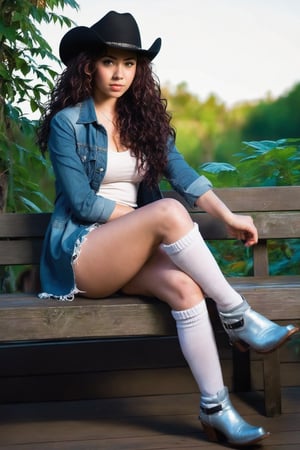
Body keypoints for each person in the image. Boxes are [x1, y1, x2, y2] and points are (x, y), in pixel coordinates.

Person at [37, 11, 298, 447]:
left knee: (185, 289)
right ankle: (237, 316)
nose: (119, 73)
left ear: (140, 70)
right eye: (108, 61)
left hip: (129, 251)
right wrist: (148, 224)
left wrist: (229, 217)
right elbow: (82, 203)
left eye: (130, 63)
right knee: (168, 213)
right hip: (84, 255)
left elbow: (183, 175)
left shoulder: (145, 123)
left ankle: (215, 408)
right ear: (89, 65)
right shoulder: (68, 124)